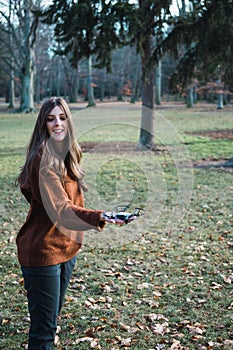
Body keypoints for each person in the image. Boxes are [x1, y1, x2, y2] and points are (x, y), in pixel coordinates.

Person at [15, 97, 121, 349]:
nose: (58, 124)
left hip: (66, 247)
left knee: (50, 319)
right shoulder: (42, 159)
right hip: (42, 252)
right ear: (43, 124)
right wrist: (100, 216)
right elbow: (61, 211)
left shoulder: (66, 154)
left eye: (62, 118)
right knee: (44, 330)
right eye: (51, 119)